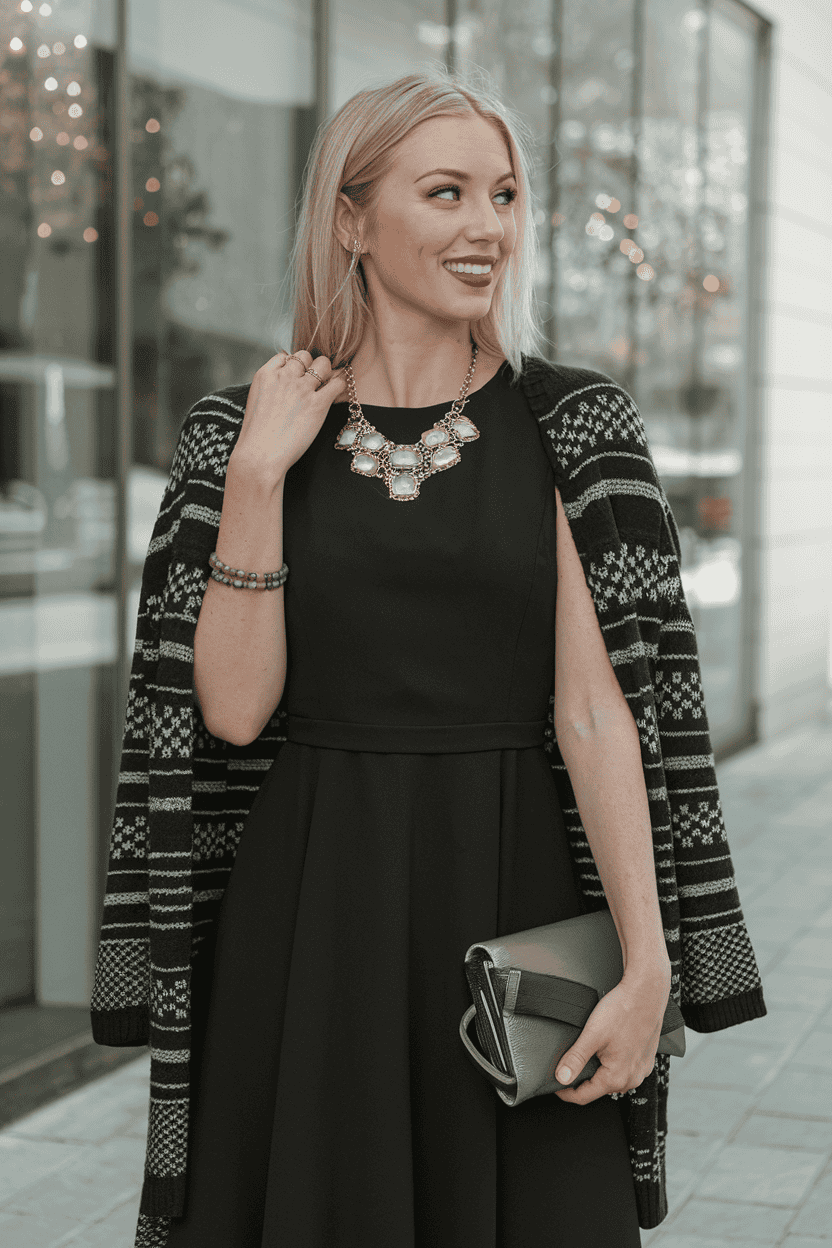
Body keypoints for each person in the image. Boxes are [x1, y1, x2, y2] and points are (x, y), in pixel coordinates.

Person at [90, 68, 766, 1248]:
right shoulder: (239, 435)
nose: (485, 228)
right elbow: (235, 714)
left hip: (517, 916)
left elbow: (599, 717)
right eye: (445, 192)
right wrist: (256, 477)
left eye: (502, 195)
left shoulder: (569, 421)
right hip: (308, 926)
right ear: (351, 219)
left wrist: (648, 964)